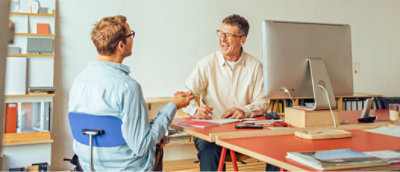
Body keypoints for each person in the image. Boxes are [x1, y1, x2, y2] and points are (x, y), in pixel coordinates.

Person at [68, 15, 194, 171]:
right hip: (128, 168)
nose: (133, 38)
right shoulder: (128, 87)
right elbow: (141, 146)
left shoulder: (79, 81)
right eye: (131, 35)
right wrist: (173, 105)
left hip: (89, 166)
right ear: (121, 45)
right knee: (156, 143)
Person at [182, 14, 279, 171]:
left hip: (246, 131)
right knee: (208, 150)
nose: (222, 39)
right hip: (212, 132)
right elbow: (184, 98)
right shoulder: (206, 64)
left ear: (243, 40)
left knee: (277, 146)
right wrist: (195, 110)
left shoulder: (255, 67)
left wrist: (244, 111)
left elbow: (263, 102)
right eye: (220, 33)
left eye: (228, 35)